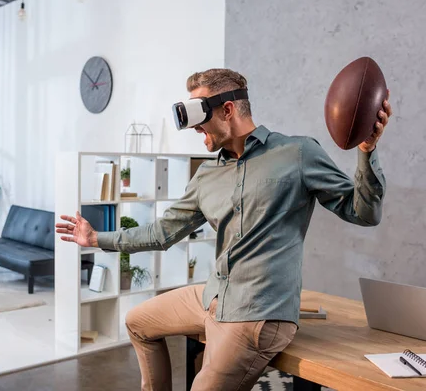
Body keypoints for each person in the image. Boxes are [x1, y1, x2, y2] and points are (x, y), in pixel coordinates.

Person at [56, 68, 392, 391]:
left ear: (228, 109)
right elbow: (162, 233)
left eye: (200, 122)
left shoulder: (298, 154)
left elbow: (362, 213)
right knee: (138, 322)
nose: (193, 131)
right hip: (212, 297)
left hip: (258, 314)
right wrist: (96, 238)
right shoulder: (206, 175)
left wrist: (367, 151)